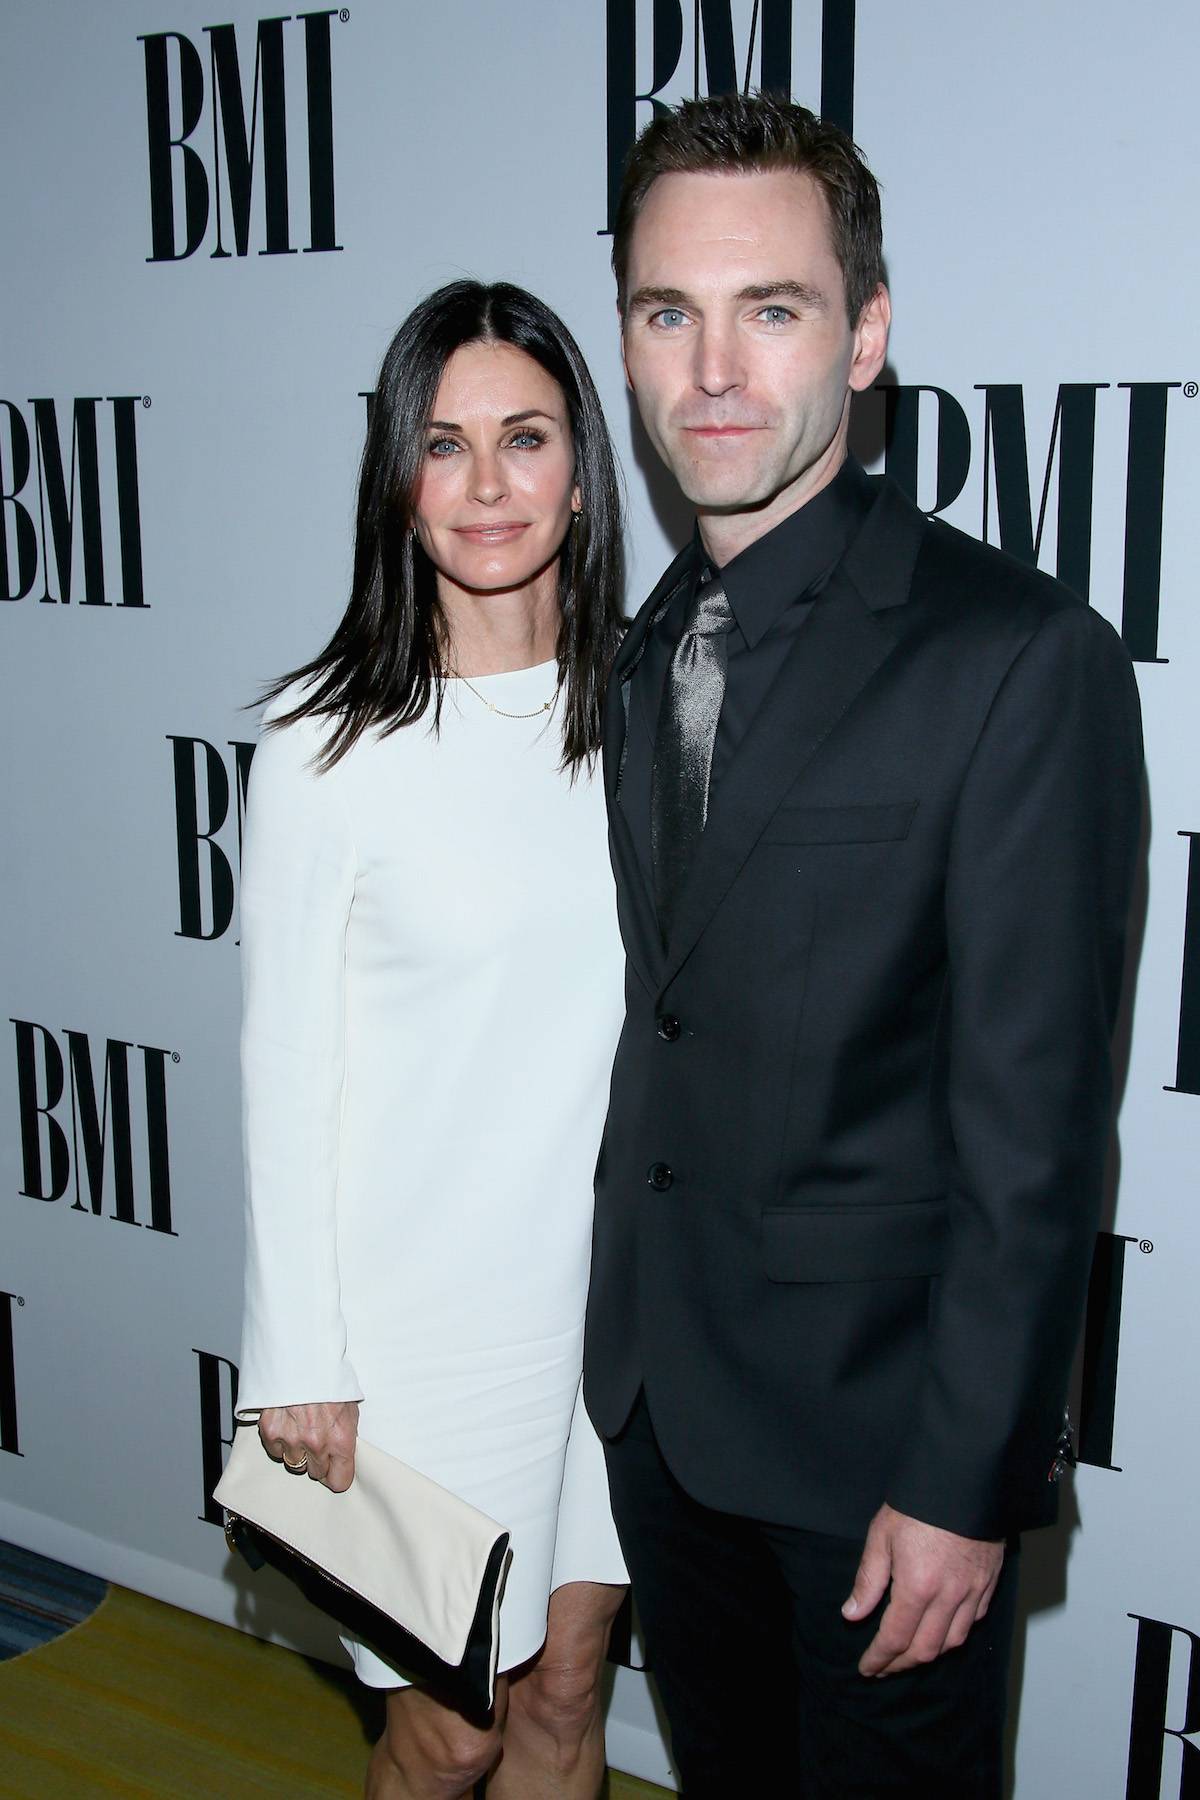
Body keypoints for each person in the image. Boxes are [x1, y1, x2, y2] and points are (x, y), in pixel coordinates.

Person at [583, 91, 1143, 1797]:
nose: (717, 370)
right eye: (669, 313)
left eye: (776, 308)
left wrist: (968, 1482)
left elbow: (1036, 1132)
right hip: (667, 1423)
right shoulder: (640, 648)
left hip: (882, 1472)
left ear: (869, 332)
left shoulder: (1017, 658)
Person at [235, 280, 629, 1800]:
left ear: (581, 470)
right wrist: (300, 1356)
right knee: (447, 1726)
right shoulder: (323, 746)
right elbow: (284, 1070)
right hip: (415, 1340)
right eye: (445, 443)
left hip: (605, 1316)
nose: (486, 486)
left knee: (567, 1698)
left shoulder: (649, 710)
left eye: (524, 439)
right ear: (397, 476)